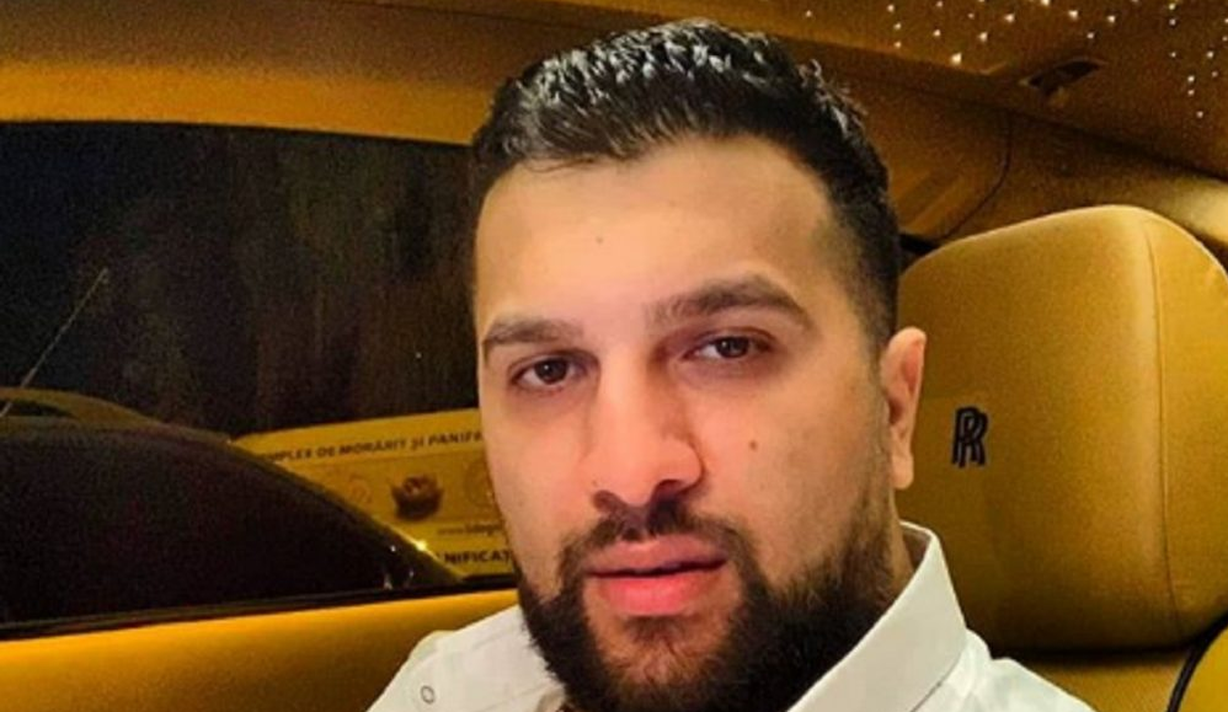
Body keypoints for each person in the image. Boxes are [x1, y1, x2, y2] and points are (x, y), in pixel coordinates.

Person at [370, 18, 1093, 712]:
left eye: (728, 348)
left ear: (895, 408)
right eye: (550, 370)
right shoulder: (449, 690)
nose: (629, 475)